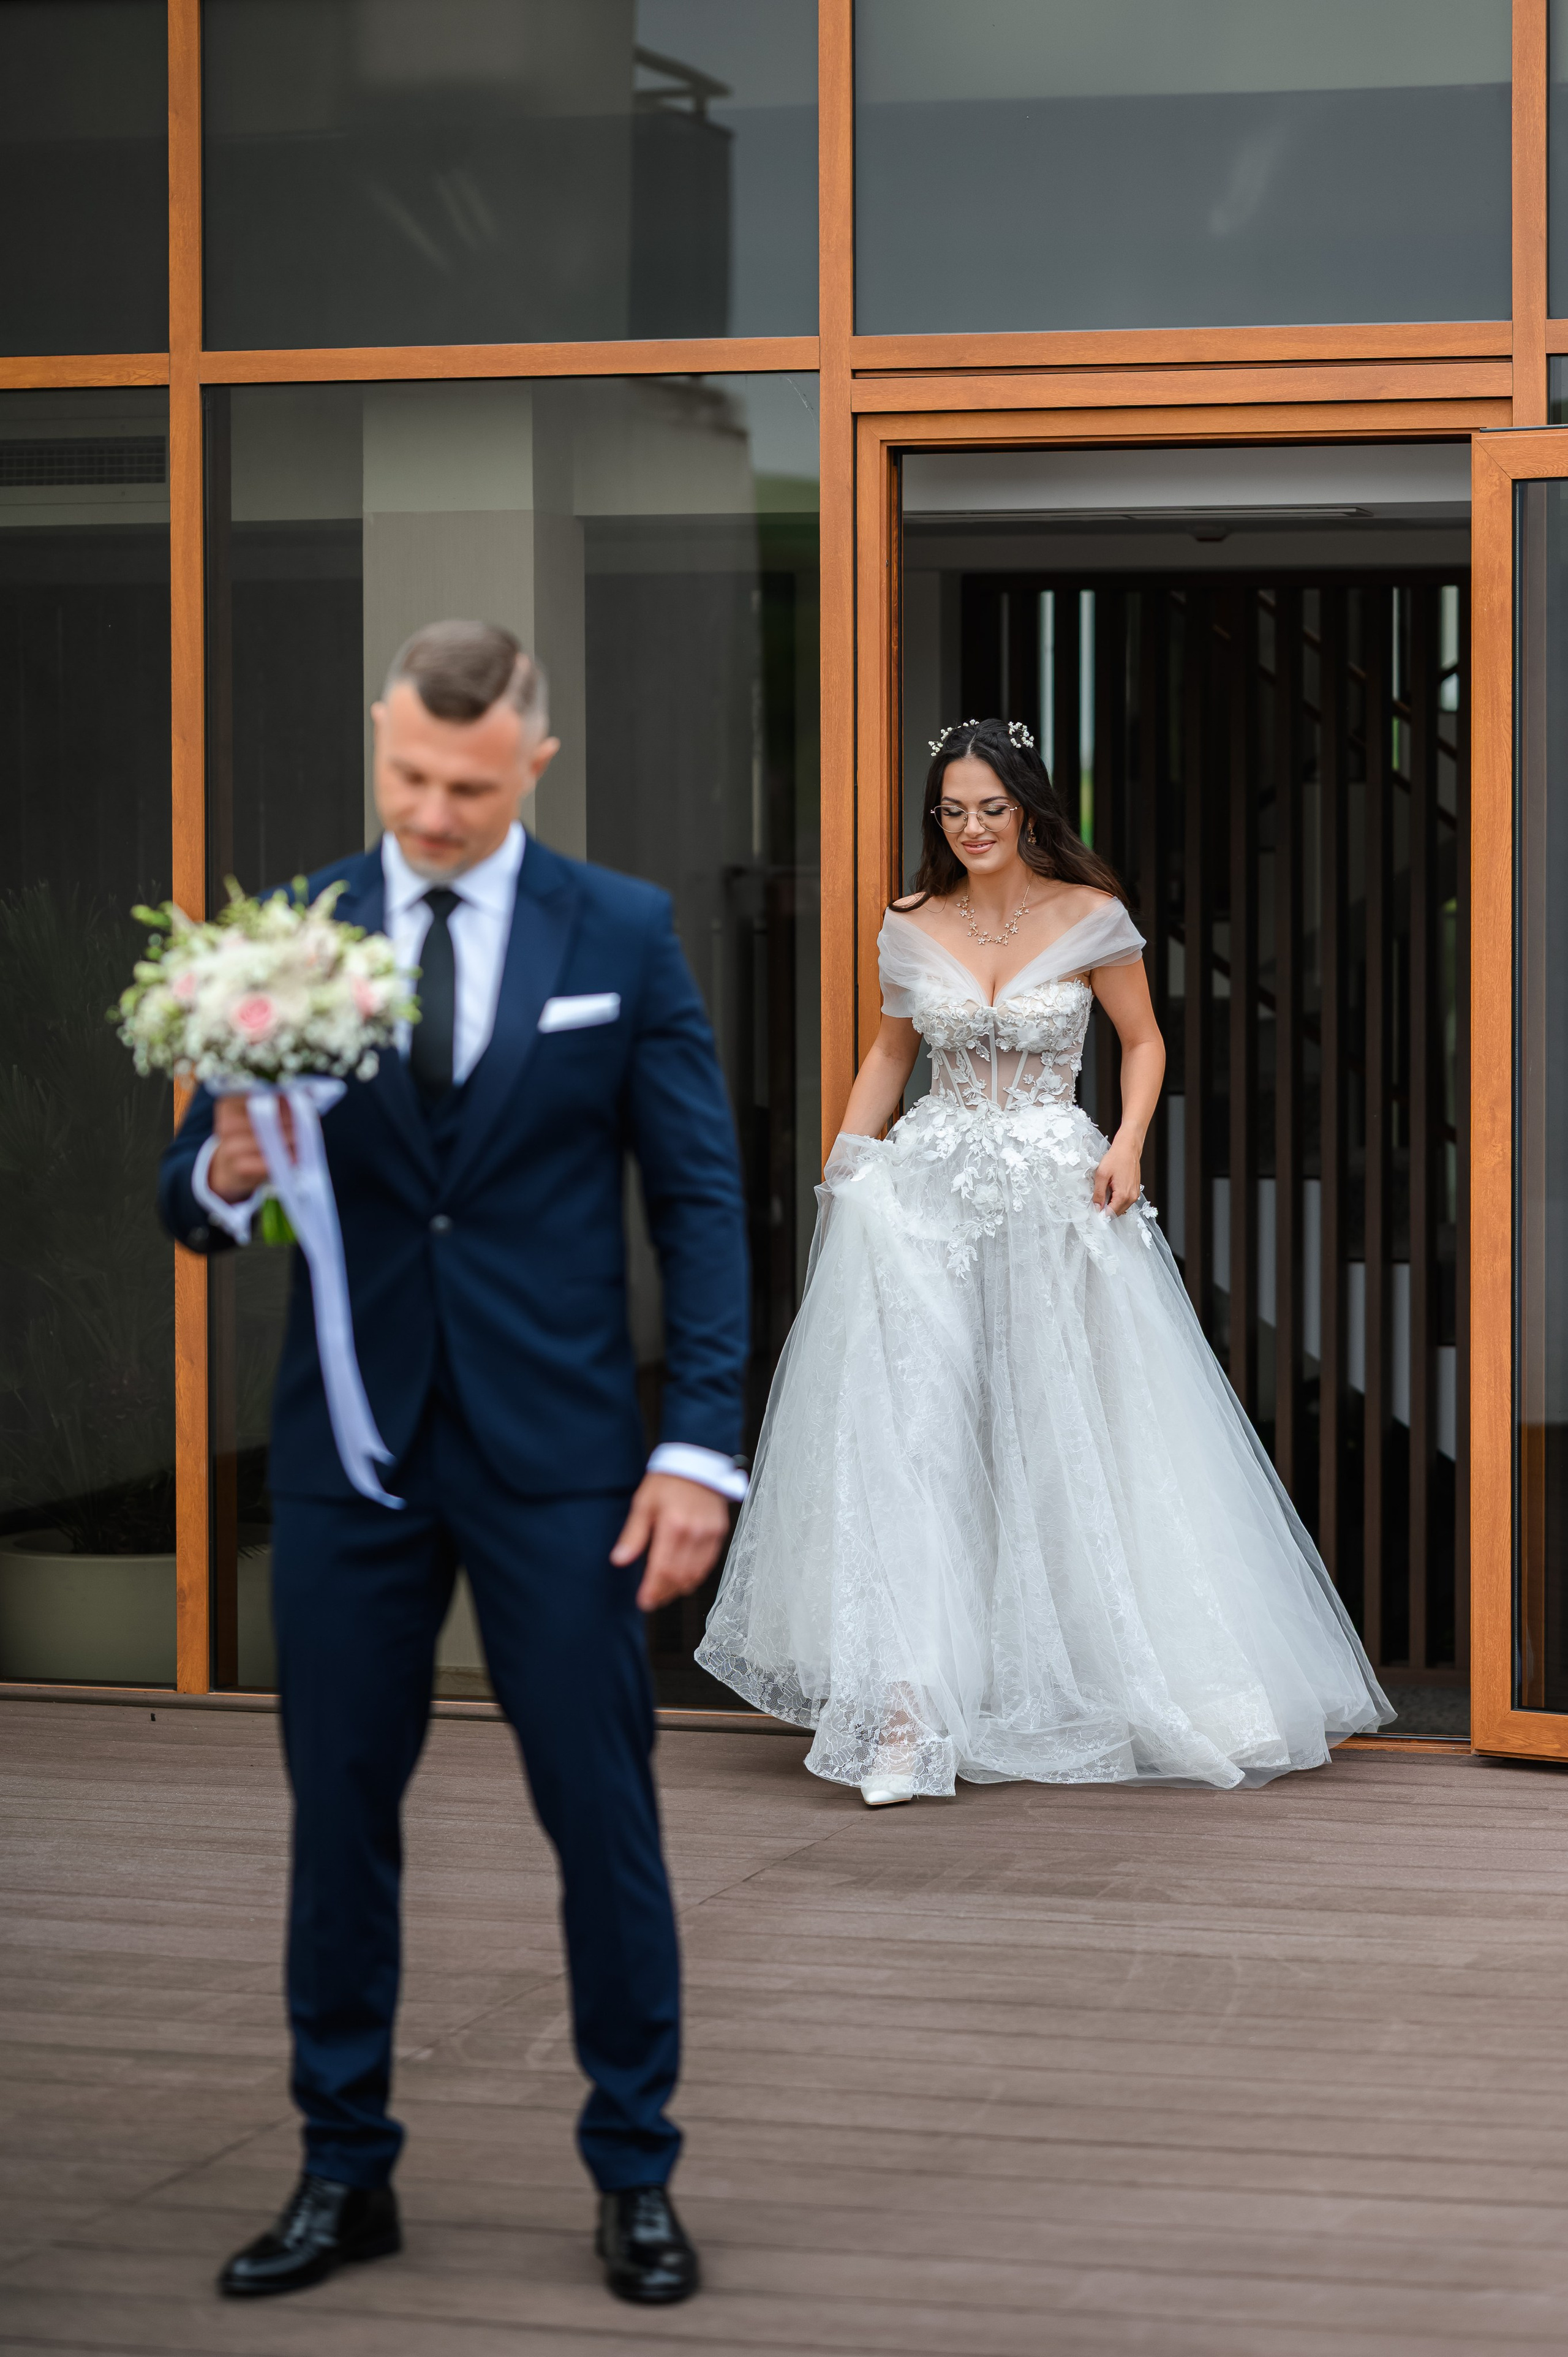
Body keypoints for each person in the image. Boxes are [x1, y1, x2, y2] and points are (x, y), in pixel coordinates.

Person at [159, 620, 749, 2307]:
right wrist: (220, 1165)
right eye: (409, 775)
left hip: (565, 1458)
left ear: (533, 766)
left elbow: (699, 1206)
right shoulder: (292, 938)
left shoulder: (622, 935)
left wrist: (700, 1446)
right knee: (338, 1822)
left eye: (468, 787)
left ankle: (635, 2173)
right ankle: (343, 2172)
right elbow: (194, 1214)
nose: (429, 810)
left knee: (602, 1818)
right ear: (380, 737)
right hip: (347, 1454)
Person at [698, 715, 1389, 1804]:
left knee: (1073, 1427)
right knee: (915, 1430)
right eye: (953, 810)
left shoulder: (1091, 915)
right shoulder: (911, 922)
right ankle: (904, 1714)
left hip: (1058, 1196)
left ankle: (1113, 1678)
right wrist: (846, 1167)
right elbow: (891, 1052)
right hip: (925, 1195)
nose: (971, 826)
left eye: (992, 807)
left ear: (1028, 810)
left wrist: (1127, 1143)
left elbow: (1146, 1041)